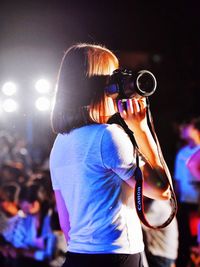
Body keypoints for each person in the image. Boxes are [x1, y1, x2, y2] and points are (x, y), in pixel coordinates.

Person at [50, 43, 172, 267]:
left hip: (77, 256)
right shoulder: (107, 136)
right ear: (98, 86)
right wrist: (141, 129)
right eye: (114, 77)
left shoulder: (59, 143)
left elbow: (65, 221)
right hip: (117, 255)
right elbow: (162, 191)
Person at [174, 118, 200, 267]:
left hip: (197, 205)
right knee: (184, 242)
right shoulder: (182, 153)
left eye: (186, 125)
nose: (182, 128)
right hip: (184, 204)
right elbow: (178, 180)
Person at [142, 198, 179, 267]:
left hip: (160, 256)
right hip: (165, 256)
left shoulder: (159, 206)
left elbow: (139, 223)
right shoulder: (163, 205)